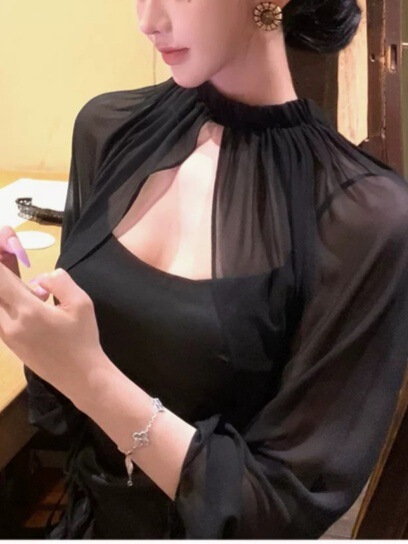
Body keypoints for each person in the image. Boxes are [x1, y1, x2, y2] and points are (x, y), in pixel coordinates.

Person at [0, 0, 408, 538]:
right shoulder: (109, 129)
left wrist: (90, 376)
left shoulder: (363, 217)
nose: (148, 20)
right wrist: (22, 309)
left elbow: (278, 510)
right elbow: (61, 416)